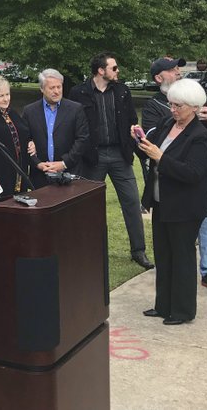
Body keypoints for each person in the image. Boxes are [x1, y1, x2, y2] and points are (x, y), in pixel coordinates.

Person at [142, 56, 207, 294]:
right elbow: (153, 138)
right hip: (169, 188)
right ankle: (167, 300)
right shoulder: (157, 107)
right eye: (172, 70)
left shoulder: (194, 96)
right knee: (170, 249)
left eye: (178, 69)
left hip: (195, 179)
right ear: (159, 78)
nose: (178, 72)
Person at [136, 78, 207, 325]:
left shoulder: (200, 135)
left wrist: (161, 157)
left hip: (185, 206)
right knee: (163, 254)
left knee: (182, 255)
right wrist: (139, 140)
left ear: (193, 106)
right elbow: (150, 150)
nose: (173, 109)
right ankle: (163, 305)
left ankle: (182, 310)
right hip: (162, 201)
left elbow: (193, 173)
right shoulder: (167, 122)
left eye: (178, 105)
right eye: (171, 104)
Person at [69, 53, 153, 270]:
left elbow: (132, 120)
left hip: (119, 155)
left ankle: (138, 251)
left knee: (132, 202)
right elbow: (73, 124)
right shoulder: (79, 92)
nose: (118, 71)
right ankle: (87, 250)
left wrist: (135, 134)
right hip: (93, 157)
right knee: (89, 207)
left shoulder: (122, 90)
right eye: (114, 68)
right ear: (100, 70)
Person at [22, 69, 89, 189]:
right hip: (40, 177)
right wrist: (37, 164)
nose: (56, 91)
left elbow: (82, 140)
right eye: (52, 88)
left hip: (69, 174)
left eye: (59, 87)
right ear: (42, 89)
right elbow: (24, 141)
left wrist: (64, 163)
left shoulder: (75, 109)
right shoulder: (29, 111)